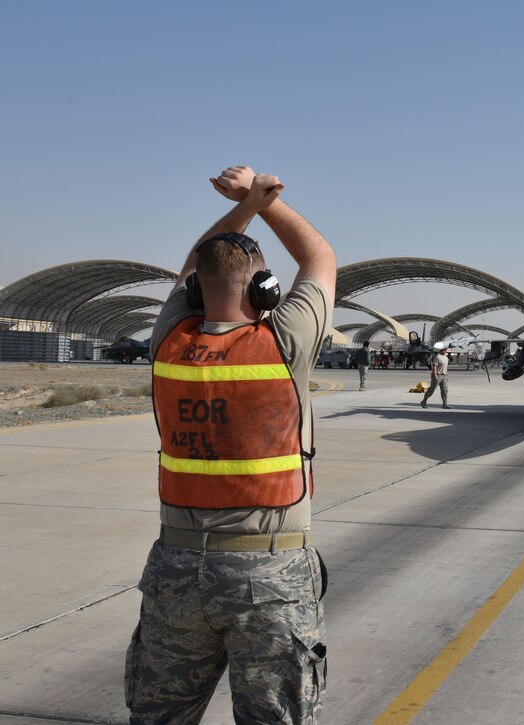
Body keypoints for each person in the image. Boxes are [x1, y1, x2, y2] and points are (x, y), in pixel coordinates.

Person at [125, 165, 336, 723]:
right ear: (268, 291)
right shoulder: (283, 341)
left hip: (175, 566)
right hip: (268, 573)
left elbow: (197, 260)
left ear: (194, 288)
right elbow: (320, 260)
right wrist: (263, 200)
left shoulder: (169, 338)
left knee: (158, 715)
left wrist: (242, 209)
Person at [421, 342, 451, 409]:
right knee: (432, 389)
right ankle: (424, 401)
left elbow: (446, 368)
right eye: (445, 349)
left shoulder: (446, 358)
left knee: (445, 390)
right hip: (437, 375)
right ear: (442, 350)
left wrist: (447, 375)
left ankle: (445, 404)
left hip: (444, 376)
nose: (446, 351)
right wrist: (435, 376)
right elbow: (434, 368)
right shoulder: (437, 357)